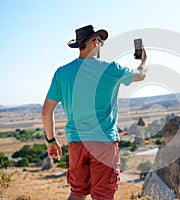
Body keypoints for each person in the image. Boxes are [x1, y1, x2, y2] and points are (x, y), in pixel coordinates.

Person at [42, 25, 147, 200]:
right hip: (104, 142)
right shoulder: (110, 69)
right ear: (93, 42)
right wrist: (144, 61)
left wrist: (51, 141)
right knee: (103, 196)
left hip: (76, 142)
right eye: (100, 40)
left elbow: (46, 111)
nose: (101, 44)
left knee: (77, 193)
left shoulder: (61, 73)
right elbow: (141, 75)